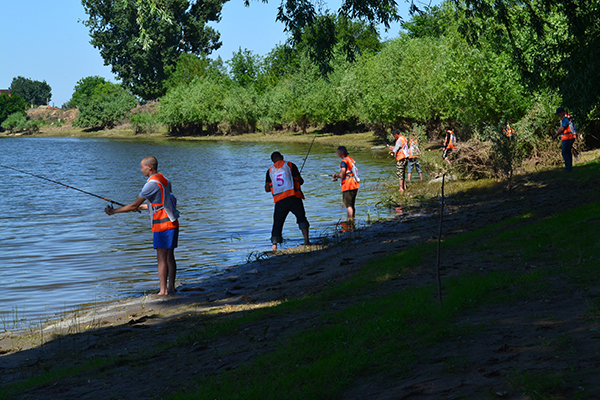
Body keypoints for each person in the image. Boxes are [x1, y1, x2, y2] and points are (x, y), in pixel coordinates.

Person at [105, 155, 180, 295]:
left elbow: (134, 204)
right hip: (173, 222)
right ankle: (171, 288)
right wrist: (139, 208)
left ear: (149, 167)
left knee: (161, 259)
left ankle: (163, 291)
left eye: (142, 167)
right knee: (170, 257)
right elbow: (159, 204)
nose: (141, 170)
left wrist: (114, 211)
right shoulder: (165, 180)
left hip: (162, 225)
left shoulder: (151, 184)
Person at [265, 151, 310, 251]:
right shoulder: (290, 165)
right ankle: (306, 240)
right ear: (282, 157)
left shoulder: (269, 170)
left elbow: (267, 188)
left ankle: (274, 246)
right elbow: (300, 181)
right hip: (293, 197)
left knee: (277, 223)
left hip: (280, 200)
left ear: (272, 160)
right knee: (301, 218)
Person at [332, 146, 359, 221]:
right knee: (352, 204)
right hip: (355, 184)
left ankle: (349, 220)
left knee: (348, 205)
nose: (337, 153)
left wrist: (336, 176)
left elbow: (342, 174)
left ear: (342, 152)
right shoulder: (350, 159)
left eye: (338, 152)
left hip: (348, 185)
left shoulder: (343, 161)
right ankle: (352, 220)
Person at [553, 107, 577, 172]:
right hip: (570, 137)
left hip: (567, 138)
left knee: (564, 153)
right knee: (568, 152)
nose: (558, 115)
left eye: (559, 113)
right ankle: (569, 167)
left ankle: (568, 168)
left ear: (562, 112)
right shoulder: (568, 117)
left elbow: (562, 128)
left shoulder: (565, 119)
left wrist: (556, 135)